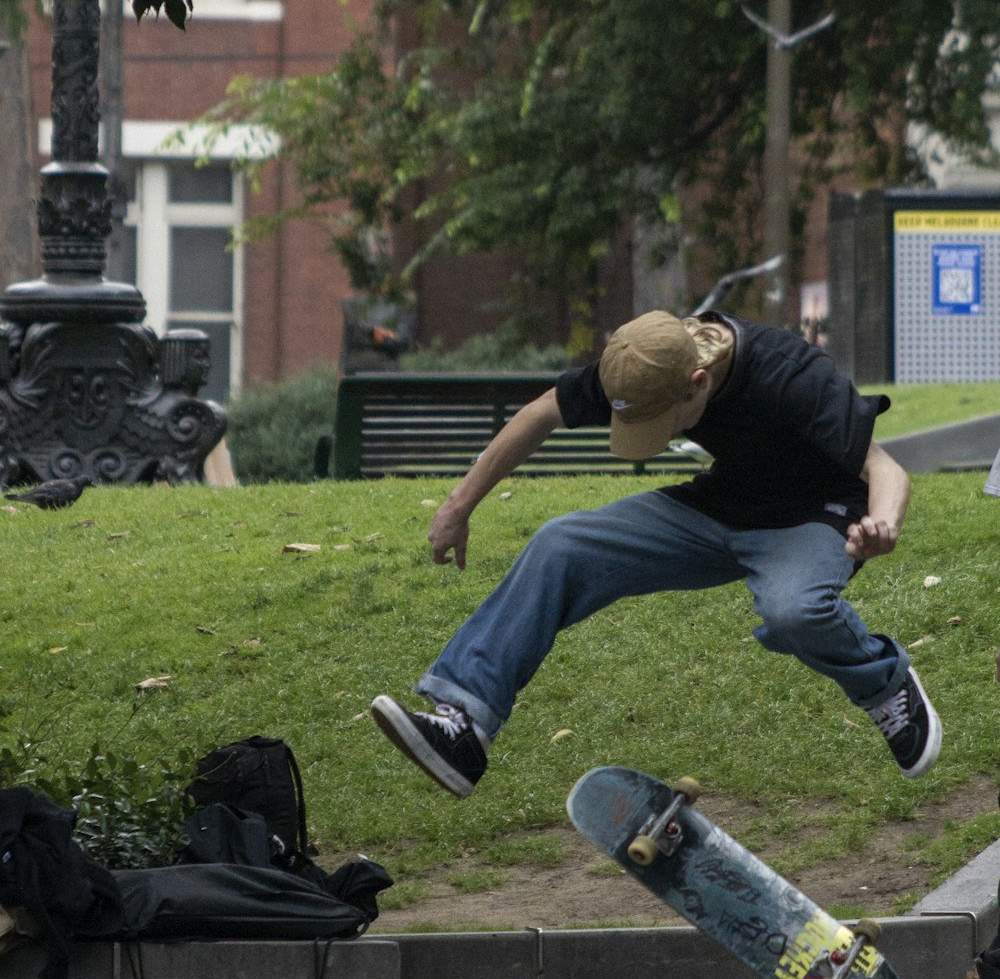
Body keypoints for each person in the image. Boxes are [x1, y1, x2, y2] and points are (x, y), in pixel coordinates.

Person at [371, 309, 942, 797]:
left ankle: (884, 684)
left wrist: (883, 525)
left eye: (659, 425)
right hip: (724, 504)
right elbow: (540, 413)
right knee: (561, 544)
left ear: (697, 382)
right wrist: (459, 504)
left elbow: (883, 466)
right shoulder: (643, 361)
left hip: (817, 515)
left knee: (793, 609)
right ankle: (465, 722)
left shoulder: (789, 376)